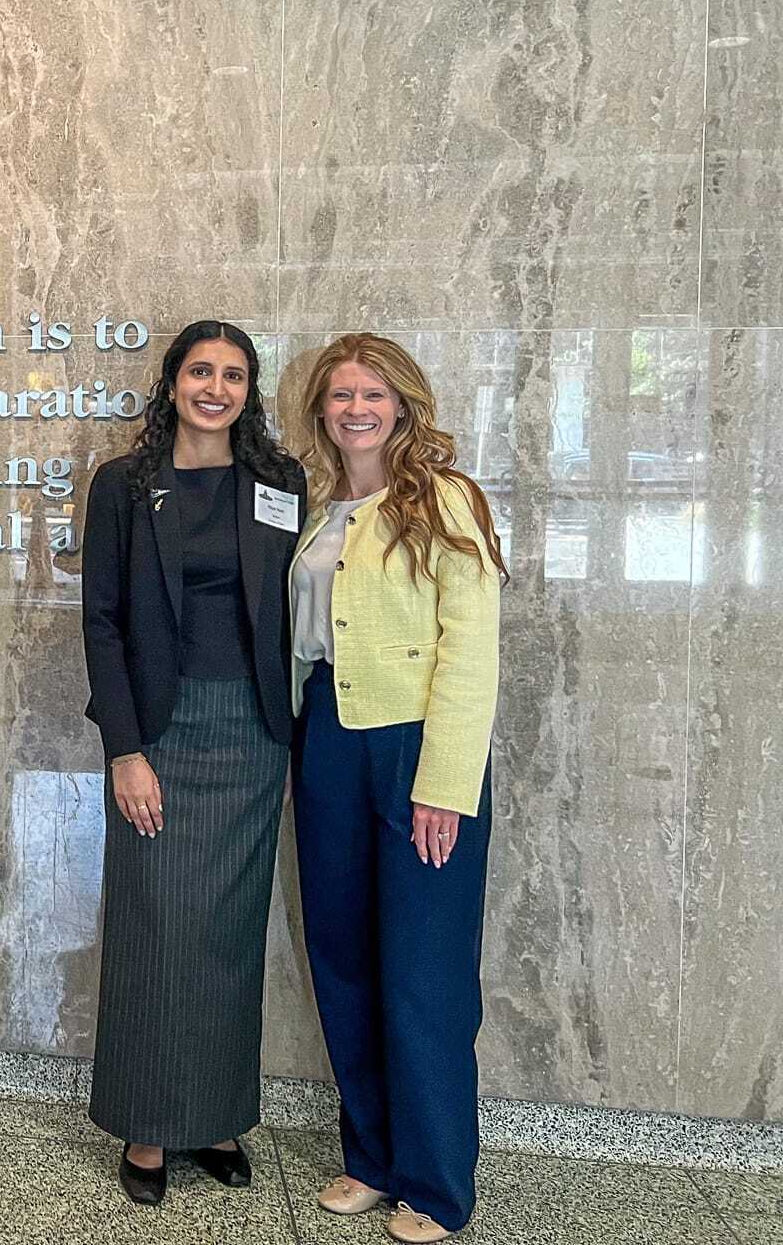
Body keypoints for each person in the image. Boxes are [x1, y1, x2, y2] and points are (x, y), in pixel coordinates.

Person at [80, 321, 307, 1206]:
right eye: (201, 371)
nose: (217, 388)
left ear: (251, 391)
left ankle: (215, 1115)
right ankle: (146, 1122)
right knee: (155, 927)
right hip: (159, 735)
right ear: (171, 381)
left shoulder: (279, 482)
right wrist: (125, 751)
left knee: (227, 935)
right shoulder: (125, 486)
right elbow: (101, 621)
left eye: (236, 376)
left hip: (251, 735)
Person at [287, 333, 506, 1243]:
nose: (355, 408)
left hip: (417, 749)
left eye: (372, 392)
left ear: (404, 402)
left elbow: (471, 650)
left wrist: (442, 785)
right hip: (327, 738)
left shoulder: (444, 500)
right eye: (340, 394)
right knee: (343, 958)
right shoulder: (314, 506)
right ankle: (370, 1159)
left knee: (423, 973)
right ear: (322, 411)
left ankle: (436, 1183)